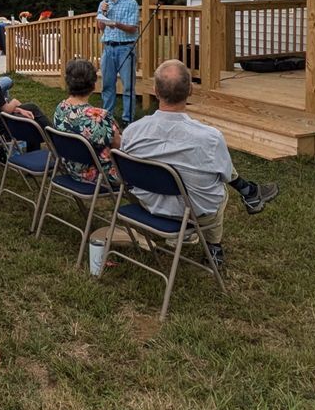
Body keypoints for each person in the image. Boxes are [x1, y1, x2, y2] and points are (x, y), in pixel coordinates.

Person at [119, 60, 279, 268]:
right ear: (191, 90)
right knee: (218, 185)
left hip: (147, 204)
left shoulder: (133, 131)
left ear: (156, 91)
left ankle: (249, 191)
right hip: (193, 213)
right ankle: (215, 245)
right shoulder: (209, 138)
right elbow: (223, 174)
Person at [52, 59, 121, 189]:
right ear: (93, 85)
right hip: (100, 175)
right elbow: (119, 147)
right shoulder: (100, 116)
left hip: (70, 168)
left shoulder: (60, 108)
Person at [96, 0, 140, 123]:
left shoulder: (131, 3)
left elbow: (133, 28)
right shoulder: (104, 3)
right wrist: (102, 12)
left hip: (125, 48)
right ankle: (107, 118)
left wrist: (116, 24)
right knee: (107, 85)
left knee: (128, 86)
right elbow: (100, 27)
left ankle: (128, 120)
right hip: (108, 48)